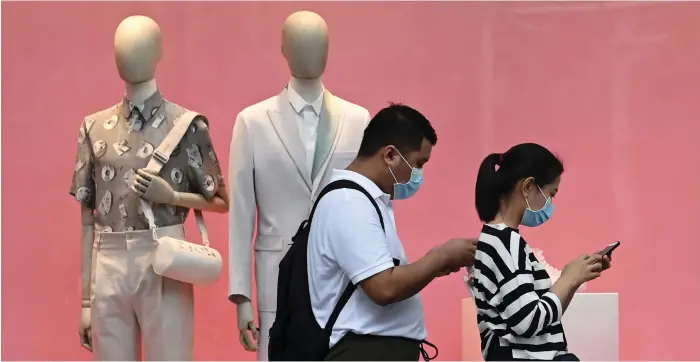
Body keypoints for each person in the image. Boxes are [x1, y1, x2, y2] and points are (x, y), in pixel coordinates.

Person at [306, 103, 478, 361]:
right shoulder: (349, 202)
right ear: (390, 155)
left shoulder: (366, 200)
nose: (419, 174)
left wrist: (436, 262)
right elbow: (383, 287)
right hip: (363, 351)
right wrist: (440, 257)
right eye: (419, 163)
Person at [468, 143, 612, 361]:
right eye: (551, 194)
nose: (551, 203)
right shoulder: (505, 242)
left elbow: (541, 317)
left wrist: (573, 279)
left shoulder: (500, 239)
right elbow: (527, 322)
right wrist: (568, 278)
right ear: (528, 187)